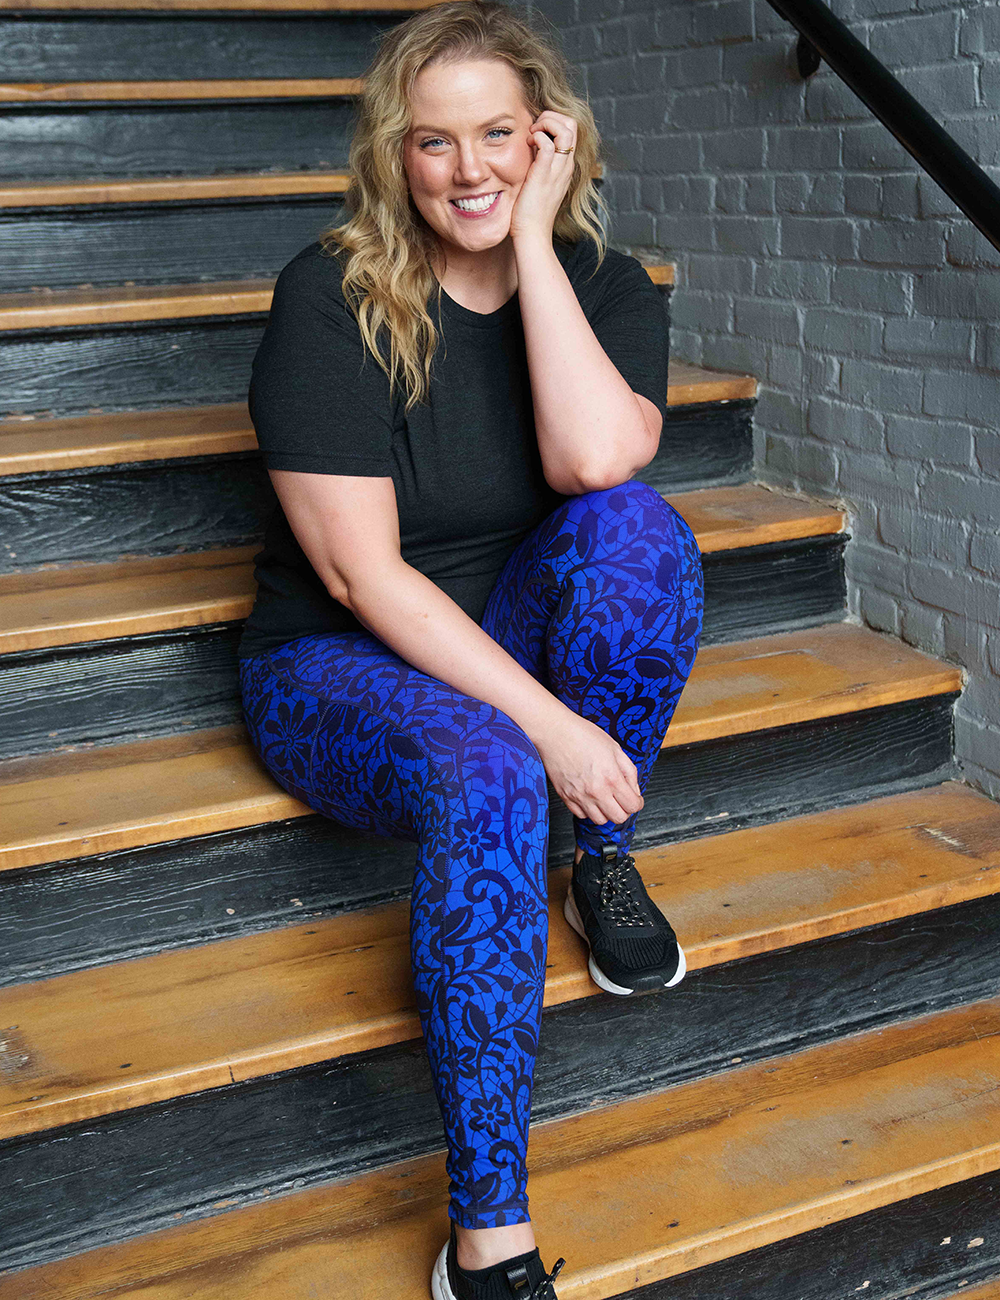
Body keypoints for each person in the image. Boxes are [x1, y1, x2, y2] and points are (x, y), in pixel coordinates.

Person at [237, 2, 704, 1295]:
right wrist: (549, 727)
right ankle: (488, 1235)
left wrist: (538, 248)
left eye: (498, 134)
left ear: (549, 138)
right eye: (433, 141)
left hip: (501, 633)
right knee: (491, 767)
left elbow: (595, 462)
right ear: (395, 155)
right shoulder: (331, 295)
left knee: (639, 536)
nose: (469, 169)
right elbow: (361, 574)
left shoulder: (601, 282)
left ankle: (597, 861)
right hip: (338, 663)